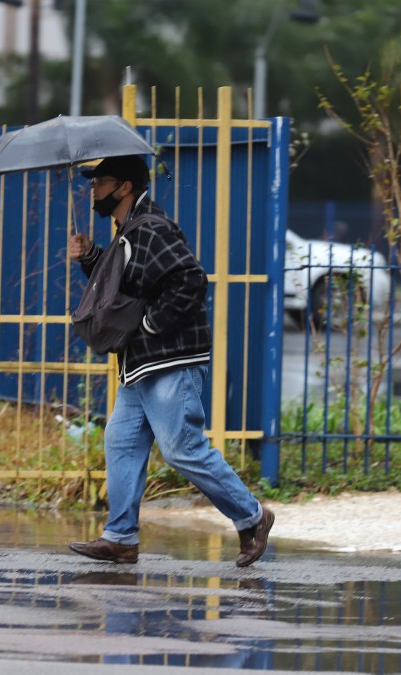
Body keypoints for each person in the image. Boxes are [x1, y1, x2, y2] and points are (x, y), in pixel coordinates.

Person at [66, 155, 274, 567]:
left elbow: (191, 280)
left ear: (124, 187)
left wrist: (150, 324)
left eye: (101, 181)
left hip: (170, 359)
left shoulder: (153, 228)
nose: (93, 188)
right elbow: (124, 288)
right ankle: (121, 538)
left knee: (182, 449)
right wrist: (90, 257)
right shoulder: (128, 231)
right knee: (121, 442)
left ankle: (252, 517)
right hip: (141, 365)